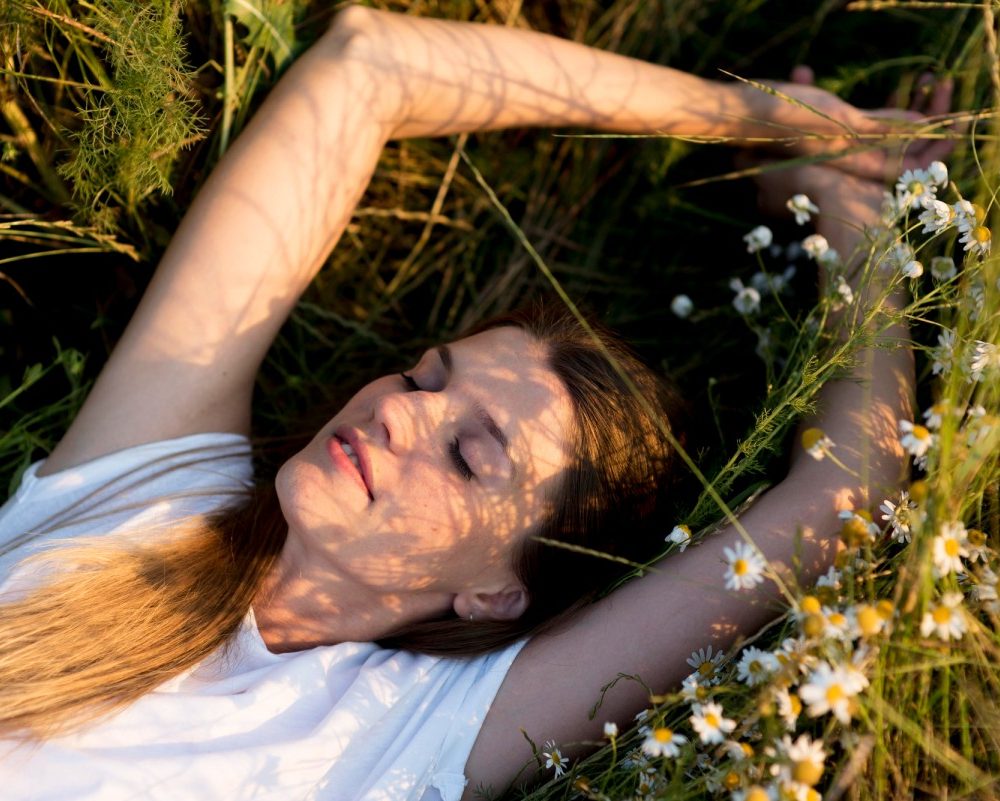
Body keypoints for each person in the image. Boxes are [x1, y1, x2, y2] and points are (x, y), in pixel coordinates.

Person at [0, 6, 951, 800]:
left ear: (494, 591)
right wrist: (759, 118)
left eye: (468, 455)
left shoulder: (407, 727)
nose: (401, 413)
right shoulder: (153, 492)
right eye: (424, 376)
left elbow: (845, 492)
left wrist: (854, 224)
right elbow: (366, 61)